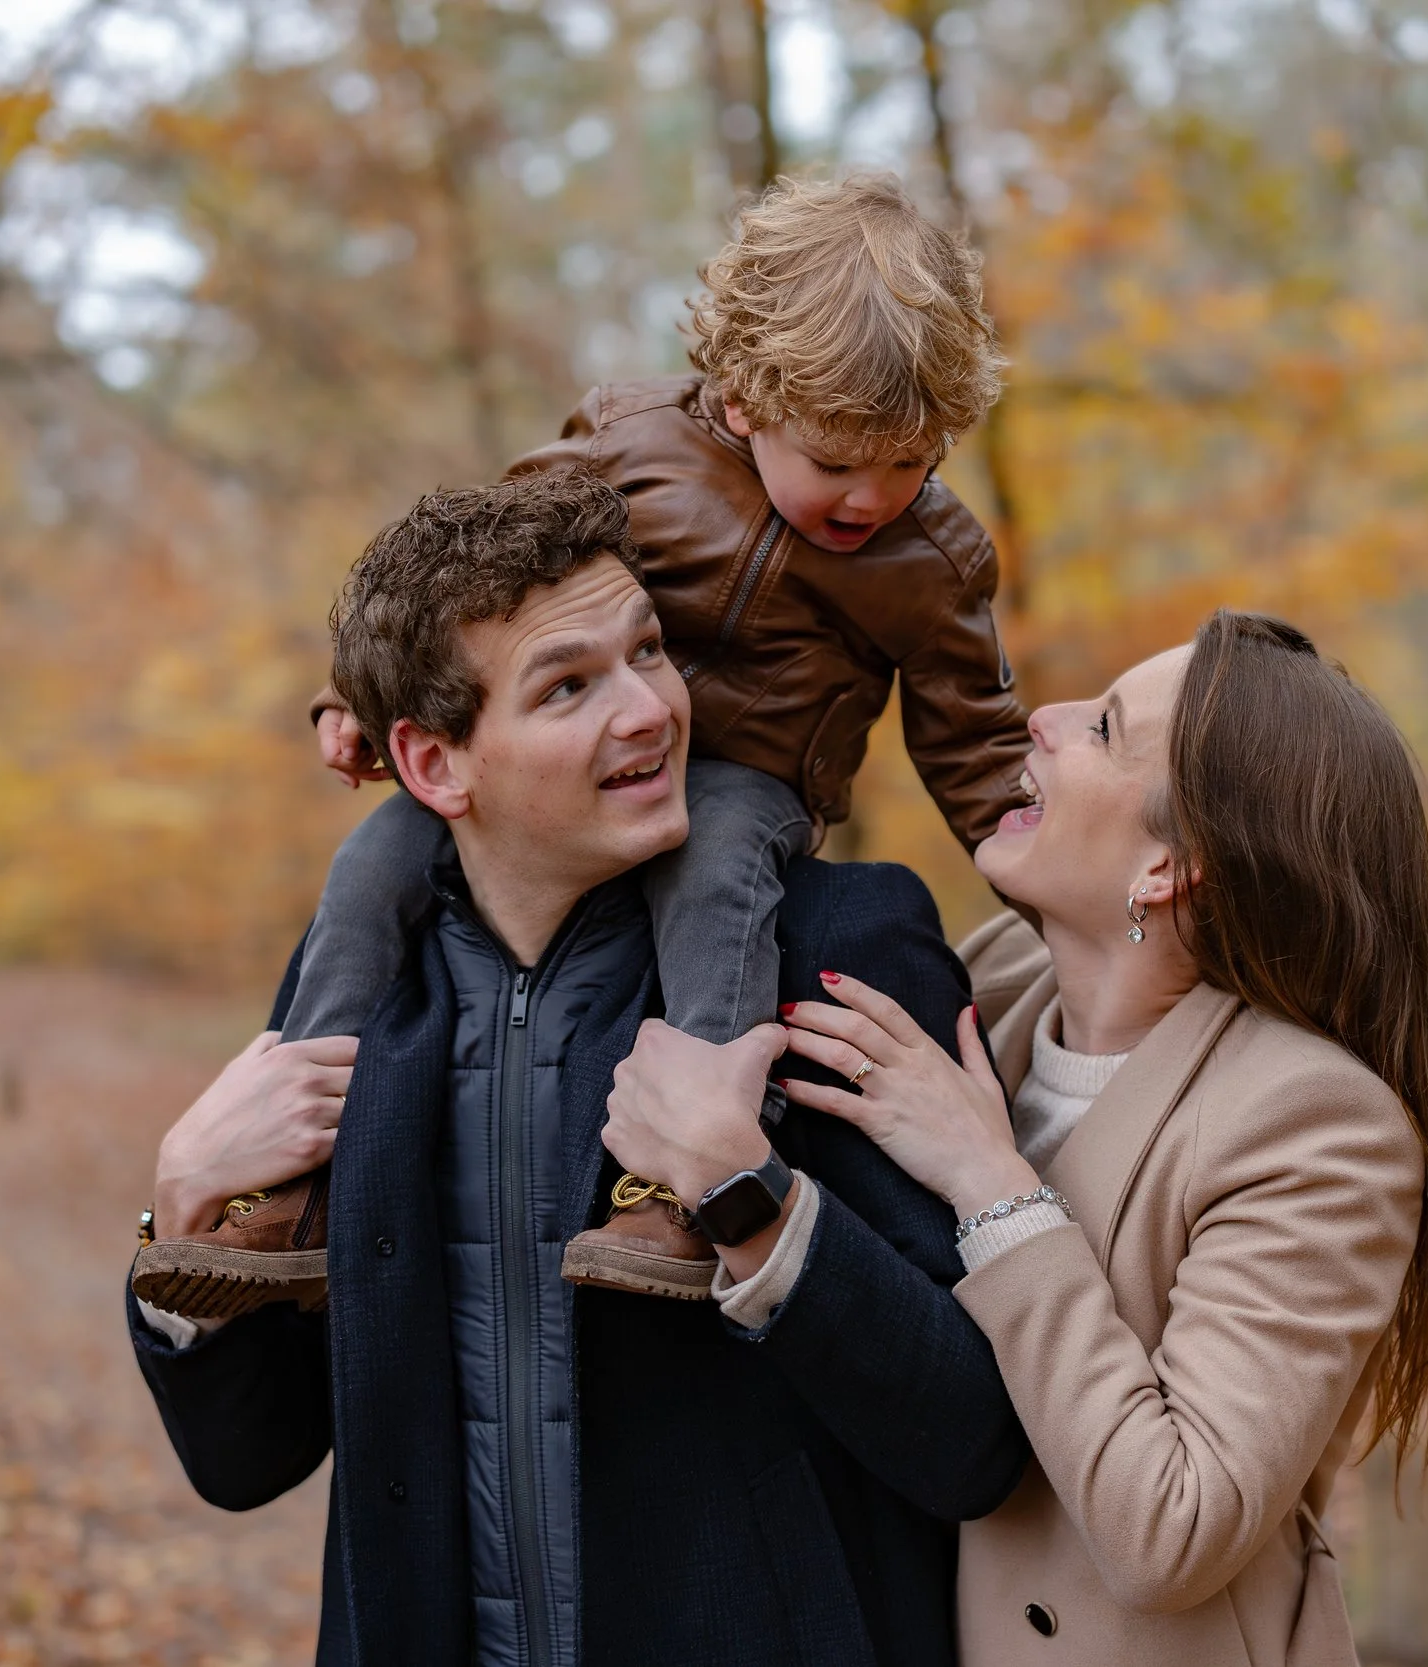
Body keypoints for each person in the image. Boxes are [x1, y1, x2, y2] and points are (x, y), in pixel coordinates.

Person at [127, 471, 1027, 1666]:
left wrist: (756, 1203)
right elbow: (246, 1460)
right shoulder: (353, 991)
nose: (651, 709)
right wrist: (182, 1209)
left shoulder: (836, 947)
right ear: (435, 764)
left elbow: (974, 1444)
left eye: (648, 651)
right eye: (568, 685)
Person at [131, 173, 1030, 1316]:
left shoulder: (933, 559)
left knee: (713, 882)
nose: (873, 497)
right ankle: (295, 1172)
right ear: (745, 400)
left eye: (911, 463)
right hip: (558, 774)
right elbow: (471, 583)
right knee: (374, 863)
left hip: (748, 781)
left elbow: (972, 736)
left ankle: (680, 1180)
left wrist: (1054, 862)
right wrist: (362, 694)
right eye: (840, 461)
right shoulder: (633, 441)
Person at [615, 611, 1428, 1664]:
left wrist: (992, 1182)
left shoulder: (1317, 1124)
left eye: (1105, 728)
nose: (1044, 721)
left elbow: (1171, 1528)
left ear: (1172, 866)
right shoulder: (979, 995)